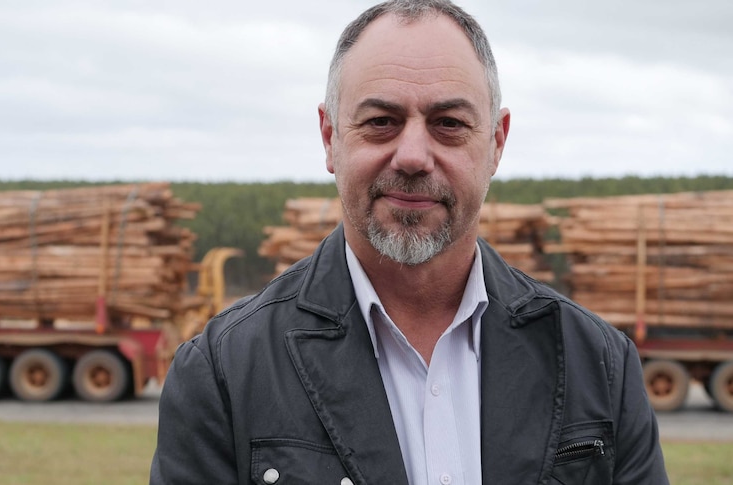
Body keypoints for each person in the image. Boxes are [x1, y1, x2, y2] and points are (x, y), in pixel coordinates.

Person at [150, 1, 669, 483]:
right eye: (381, 122)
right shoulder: (224, 373)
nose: (413, 155)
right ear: (330, 138)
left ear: (496, 142)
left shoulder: (598, 364)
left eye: (448, 124)